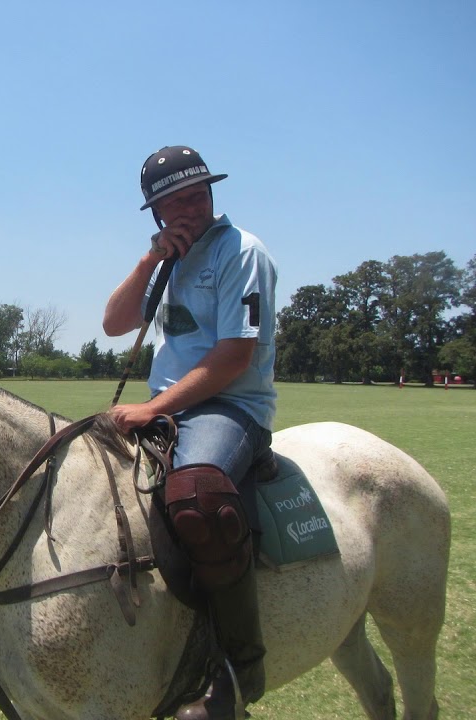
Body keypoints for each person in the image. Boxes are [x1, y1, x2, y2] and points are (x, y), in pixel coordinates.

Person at [103, 146, 277, 720]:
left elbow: (233, 358)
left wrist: (152, 409)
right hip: (170, 406)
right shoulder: (171, 256)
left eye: (197, 195)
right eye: (173, 202)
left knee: (199, 499)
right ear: (155, 213)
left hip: (231, 408)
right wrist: (149, 261)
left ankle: (232, 668)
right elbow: (114, 324)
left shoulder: (240, 252)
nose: (189, 208)